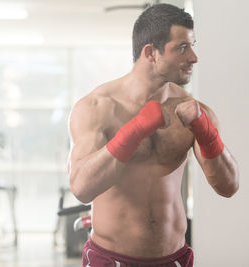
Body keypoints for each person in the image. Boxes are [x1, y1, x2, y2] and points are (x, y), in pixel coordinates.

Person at [67, 3, 239, 267]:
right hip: (111, 259)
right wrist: (133, 132)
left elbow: (229, 186)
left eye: (193, 46)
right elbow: (81, 188)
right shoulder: (97, 108)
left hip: (175, 258)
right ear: (150, 53)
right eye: (182, 47)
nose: (193, 57)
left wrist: (207, 133)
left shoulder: (194, 112)